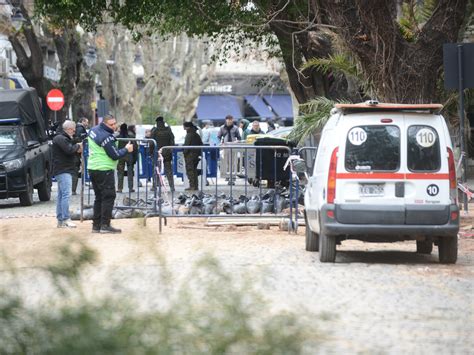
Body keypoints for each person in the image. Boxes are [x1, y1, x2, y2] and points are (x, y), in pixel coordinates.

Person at [88, 114, 134, 234]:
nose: (114, 126)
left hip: (93, 167)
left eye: (115, 124)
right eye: (111, 124)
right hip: (104, 169)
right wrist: (126, 149)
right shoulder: (106, 137)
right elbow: (114, 155)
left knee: (99, 198)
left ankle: (96, 226)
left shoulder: (93, 130)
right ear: (105, 123)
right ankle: (105, 225)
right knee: (108, 197)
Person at [52, 120, 83, 228]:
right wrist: (78, 146)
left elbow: (68, 148)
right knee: (66, 194)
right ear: (69, 129)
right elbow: (69, 150)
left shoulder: (61, 138)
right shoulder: (61, 138)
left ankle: (60, 220)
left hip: (62, 170)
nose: (74, 131)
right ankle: (66, 218)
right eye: (73, 129)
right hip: (63, 170)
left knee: (61, 195)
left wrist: (76, 144)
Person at [151, 116, 175, 191]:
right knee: (169, 171)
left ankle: (154, 186)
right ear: (163, 122)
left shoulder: (155, 131)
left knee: (156, 170)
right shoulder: (168, 130)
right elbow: (172, 141)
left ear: (157, 123)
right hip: (167, 153)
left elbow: (152, 143)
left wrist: (150, 152)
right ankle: (172, 187)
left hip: (157, 153)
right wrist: (171, 150)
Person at [116, 123, 138, 193]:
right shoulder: (131, 136)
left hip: (120, 156)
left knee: (120, 173)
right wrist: (135, 158)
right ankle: (130, 188)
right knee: (130, 173)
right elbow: (135, 147)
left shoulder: (118, 137)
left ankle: (119, 188)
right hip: (129, 155)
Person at [183, 121, 203, 191]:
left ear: (187, 127)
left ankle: (192, 186)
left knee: (190, 171)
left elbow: (186, 146)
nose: (184, 128)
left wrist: (184, 154)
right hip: (196, 155)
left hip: (190, 155)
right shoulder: (196, 134)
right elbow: (201, 144)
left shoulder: (189, 135)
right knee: (194, 171)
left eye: (184, 127)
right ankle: (195, 186)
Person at [72, 117, 89, 195]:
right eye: (86, 122)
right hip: (77, 153)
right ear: (82, 121)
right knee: (75, 171)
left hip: (75, 153)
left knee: (75, 171)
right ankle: (73, 190)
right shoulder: (80, 129)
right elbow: (81, 140)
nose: (87, 124)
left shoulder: (77, 128)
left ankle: (73, 189)